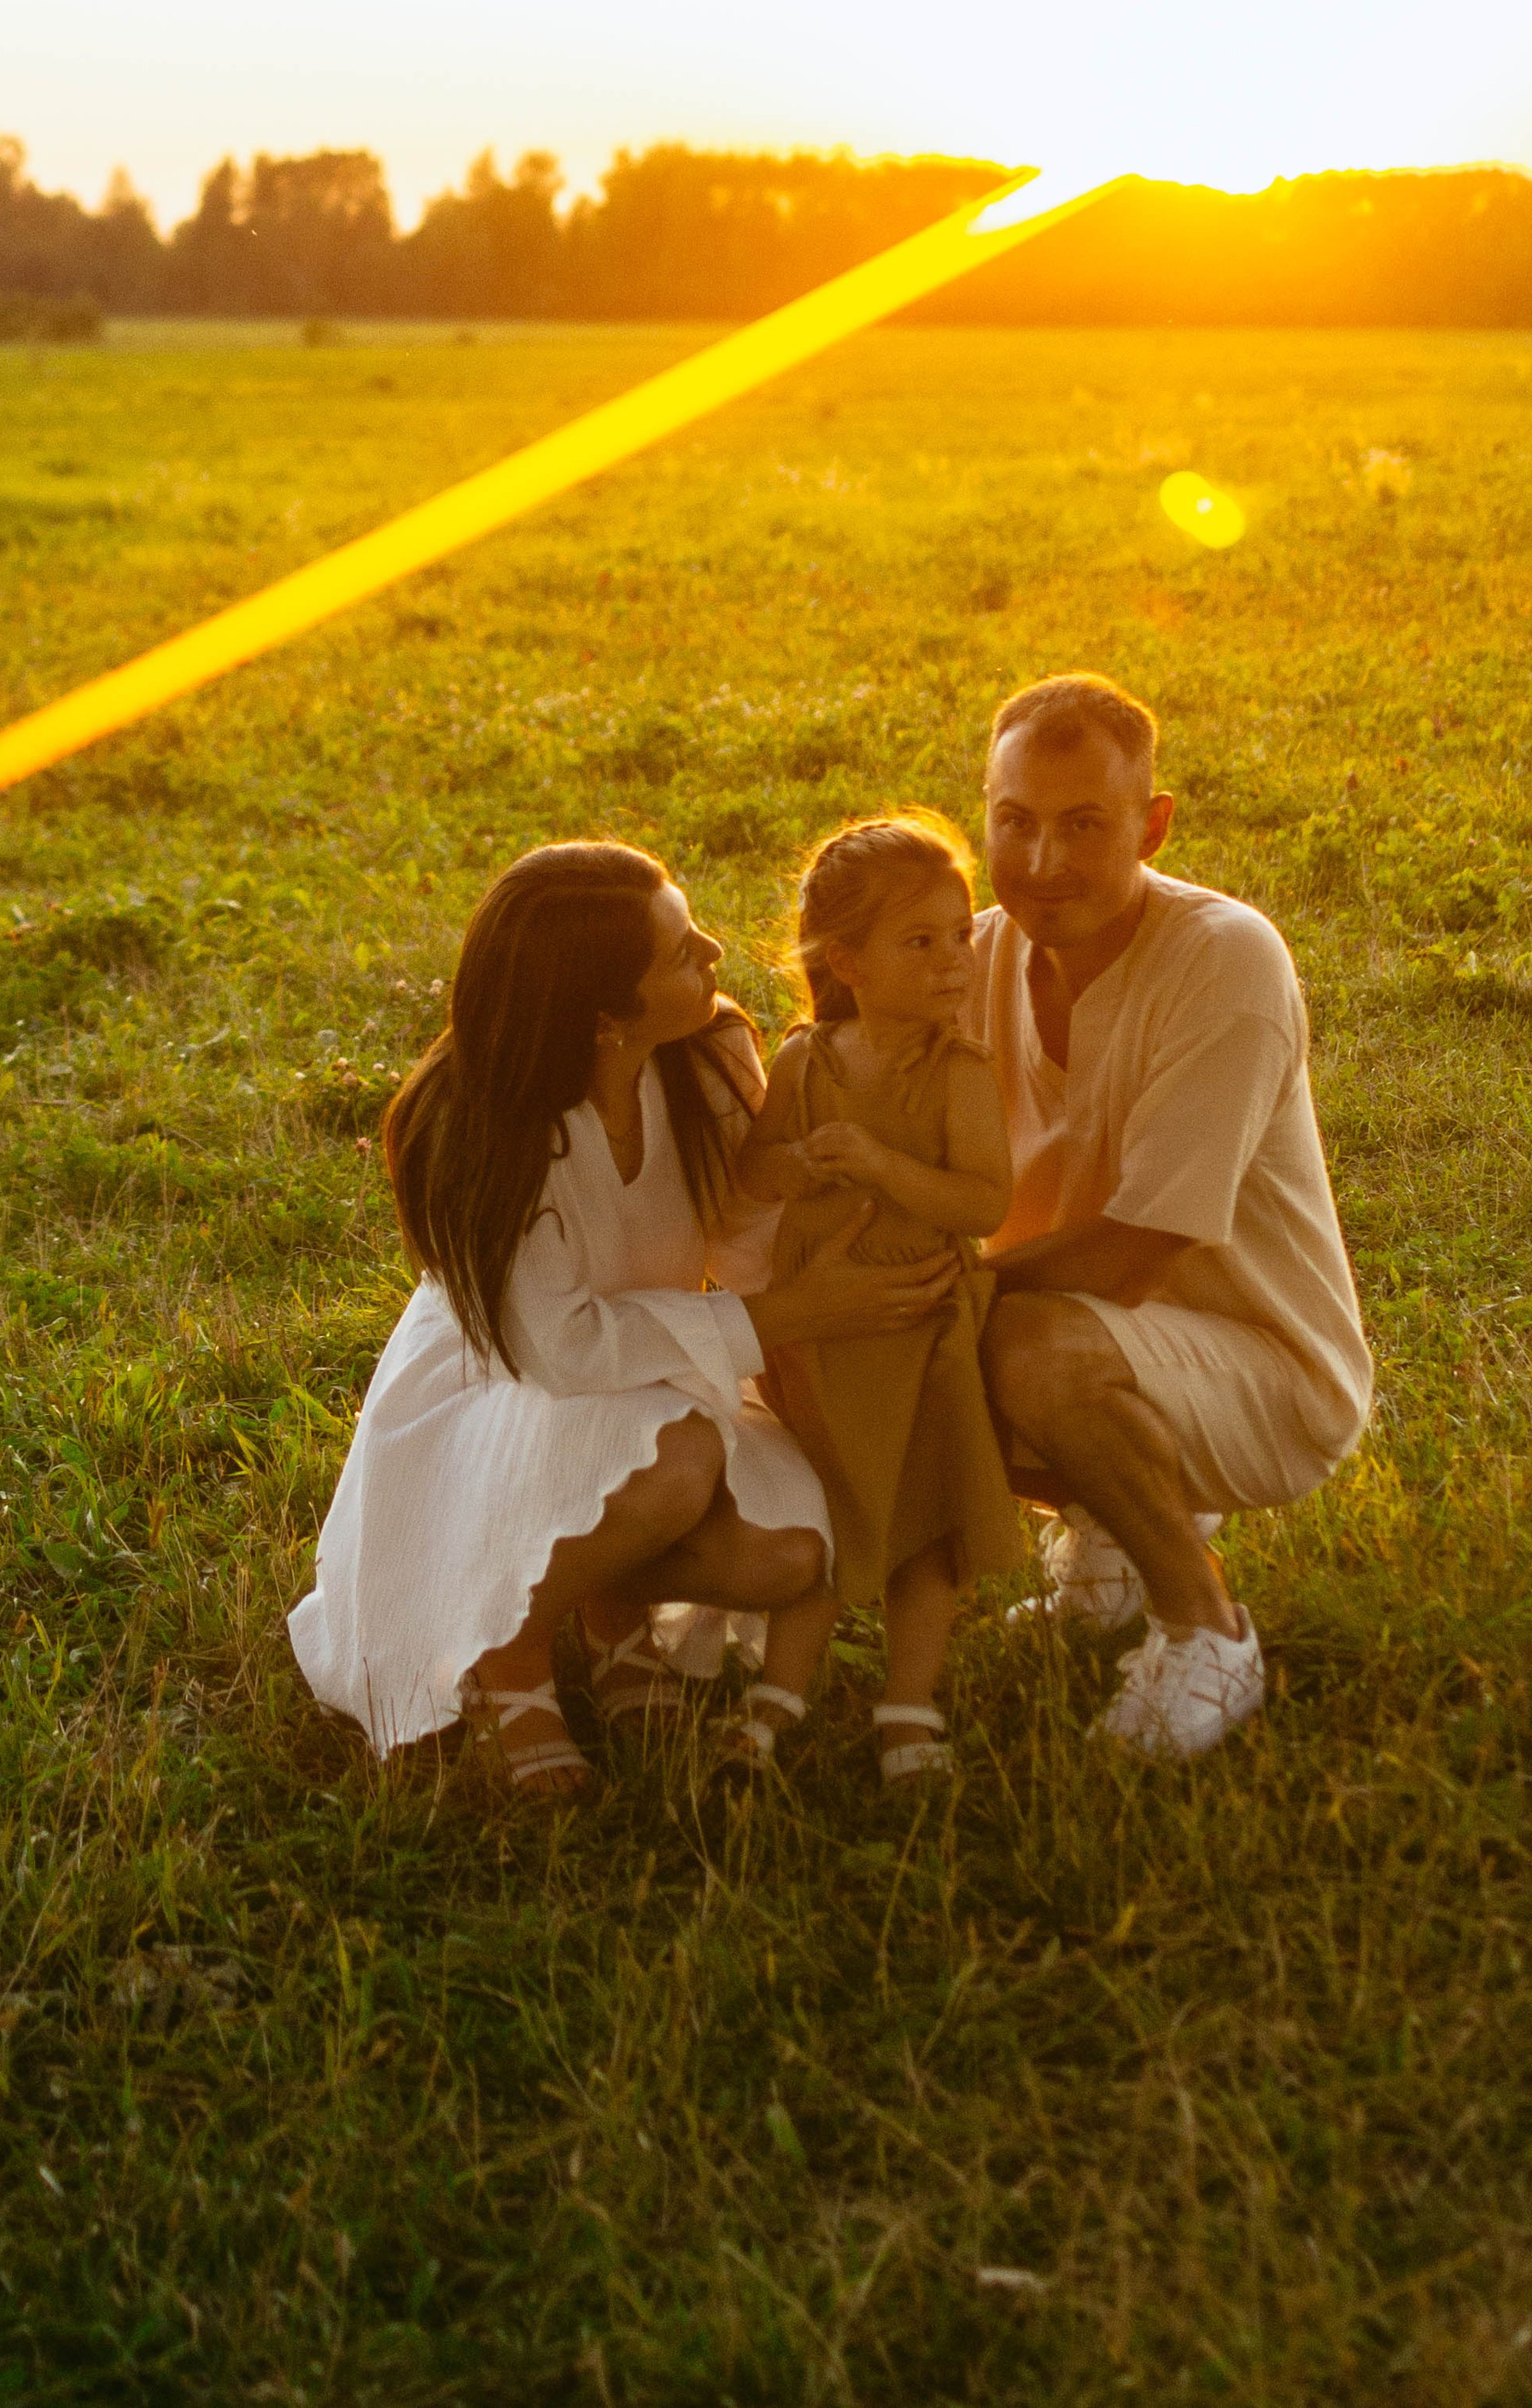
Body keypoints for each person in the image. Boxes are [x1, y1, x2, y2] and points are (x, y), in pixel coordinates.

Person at [286, 840, 957, 1797]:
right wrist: (778, 1316)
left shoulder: (707, 1056)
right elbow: (560, 1348)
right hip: (499, 1392)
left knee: (791, 1556)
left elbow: (733, 1238)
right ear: (604, 1017)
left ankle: (604, 1600)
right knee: (677, 1455)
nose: (716, 951)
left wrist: (797, 1200)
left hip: (664, 1370)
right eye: (683, 951)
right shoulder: (499, 1137)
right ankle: (509, 1650)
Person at [968, 675, 1373, 1760]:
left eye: (1084, 825)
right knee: (892, 1335)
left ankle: (1207, 1632)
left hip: (1264, 1365)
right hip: (1090, 1334)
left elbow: (1142, 1250)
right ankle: (1108, 1538)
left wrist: (937, 1301)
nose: (1043, 862)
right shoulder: (970, 955)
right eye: (1016, 822)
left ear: (1152, 825)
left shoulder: (1224, 958)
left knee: (1017, 1340)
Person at [731, 816, 1020, 1784]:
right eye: (920, 941)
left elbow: (983, 1199)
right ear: (846, 960)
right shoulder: (808, 1059)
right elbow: (753, 1167)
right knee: (827, 1503)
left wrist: (885, 1166)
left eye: (961, 933)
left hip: (919, 1321)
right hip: (820, 1324)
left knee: (923, 1518)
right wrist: (799, 1160)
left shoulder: (955, 1069)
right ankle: (774, 1698)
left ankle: (908, 1707)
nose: (951, 961)